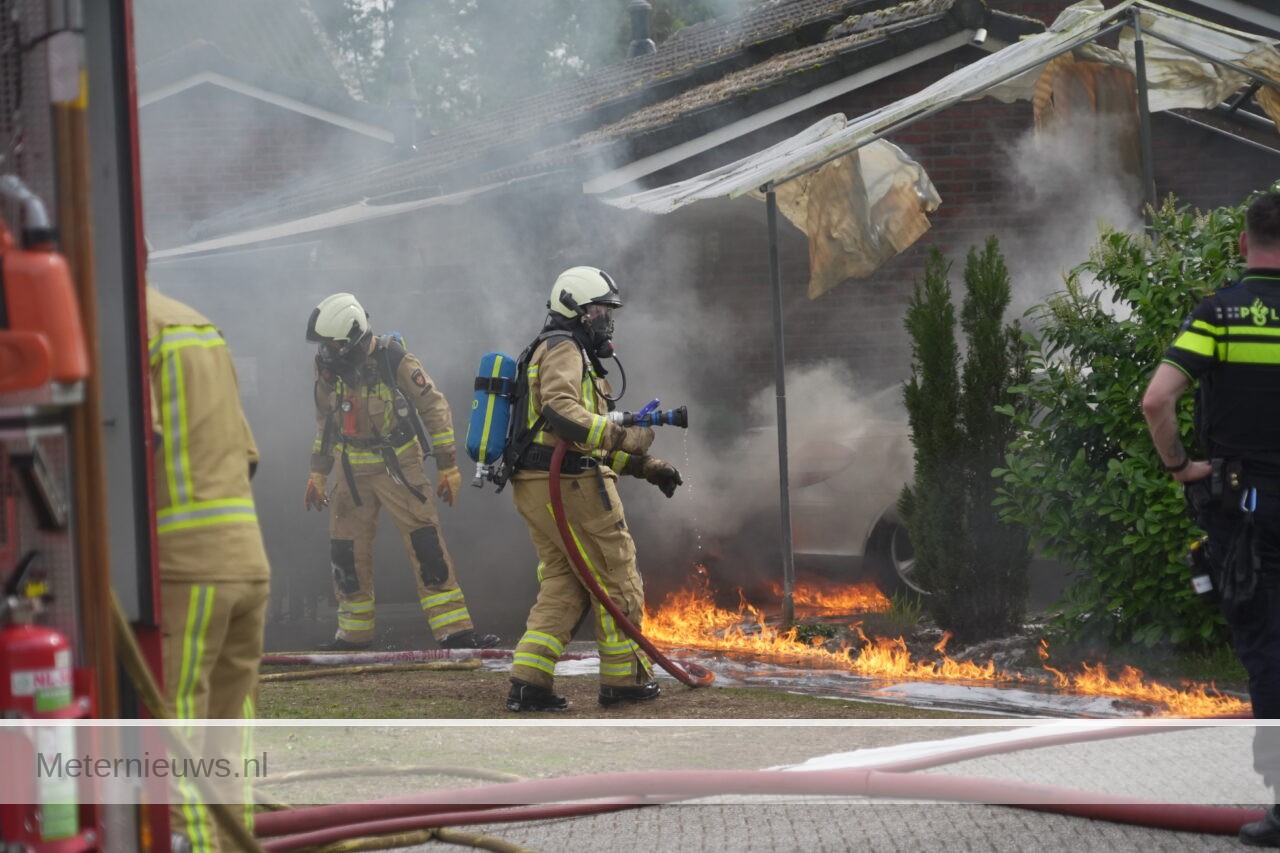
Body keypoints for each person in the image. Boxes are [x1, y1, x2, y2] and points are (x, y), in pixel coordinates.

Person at [1142, 190, 1280, 847]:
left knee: (1268, 652)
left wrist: (1180, 467)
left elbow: (1155, 401)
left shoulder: (1219, 315)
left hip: (1248, 512)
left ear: (1243, 242)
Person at [504, 266, 683, 712]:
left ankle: (529, 681)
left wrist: (647, 467)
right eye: (600, 309)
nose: (606, 318)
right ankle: (625, 682)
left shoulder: (552, 350)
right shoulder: (563, 348)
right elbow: (564, 416)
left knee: (564, 584)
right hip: (572, 486)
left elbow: (569, 443)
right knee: (617, 577)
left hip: (539, 484)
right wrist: (621, 435)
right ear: (577, 310)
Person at [304, 292, 498, 651]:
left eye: (334, 344)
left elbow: (434, 407)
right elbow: (325, 424)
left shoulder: (394, 359)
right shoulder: (328, 371)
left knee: (425, 544)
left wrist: (447, 466)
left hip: (399, 467)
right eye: (323, 345)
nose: (327, 352)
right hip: (350, 470)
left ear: (354, 337)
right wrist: (318, 473)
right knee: (345, 550)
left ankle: (454, 630)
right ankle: (353, 633)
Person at [148, 285, 269, 853]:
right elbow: (247, 455)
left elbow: (130, 445)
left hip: (181, 569)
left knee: (172, 728)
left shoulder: (125, 329)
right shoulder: (196, 325)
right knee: (226, 735)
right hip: (245, 561)